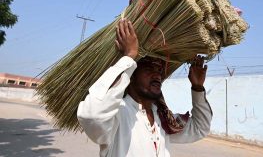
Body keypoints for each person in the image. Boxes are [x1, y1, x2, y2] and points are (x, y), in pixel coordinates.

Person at [77, 18, 213, 157]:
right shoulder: (118, 114)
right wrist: (129, 57)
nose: (157, 75)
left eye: (160, 70)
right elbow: (92, 116)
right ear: (132, 75)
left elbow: (199, 128)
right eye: (149, 68)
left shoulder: (164, 119)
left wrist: (197, 88)